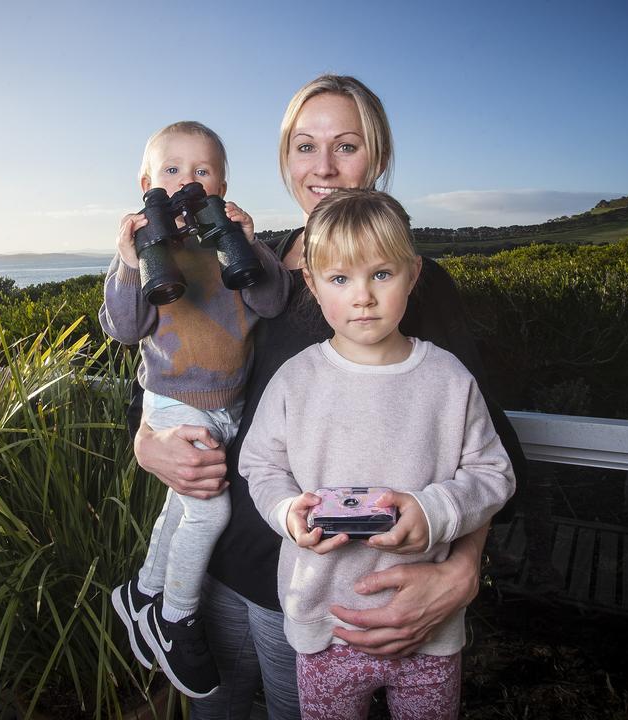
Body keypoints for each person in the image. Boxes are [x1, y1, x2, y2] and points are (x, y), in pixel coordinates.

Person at [130, 75, 529, 718]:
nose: (324, 168)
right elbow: (172, 364)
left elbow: (487, 453)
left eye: (346, 146)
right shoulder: (245, 261)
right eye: (305, 147)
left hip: (319, 583)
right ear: (285, 157)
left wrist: (461, 572)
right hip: (212, 556)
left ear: (378, 156)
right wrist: (147, 443)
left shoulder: (411, 286)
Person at [239, 189, 514, 718]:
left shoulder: (448, 378)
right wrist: (284, 511)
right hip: (324, 627)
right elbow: (261, 466)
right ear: (313, 286)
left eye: (381, 275)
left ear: (412, 275)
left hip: (427, 633)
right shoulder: (295, 380)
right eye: (340, 279)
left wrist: (434, 512)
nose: (362, 296)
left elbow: (493, 473)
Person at [100, 120, 291, 698]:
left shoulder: (227, 246)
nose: (187, 182)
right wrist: (131, 261)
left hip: (227, 406)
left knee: (184, 508)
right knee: (208, 511)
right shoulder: (151, 255)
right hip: (172, 401)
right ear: (146, 184)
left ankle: (142, 593)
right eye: (172, 171)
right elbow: (125, 329)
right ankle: (175, 619)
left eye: (202, 172)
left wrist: (249, 243)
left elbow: (274, 301)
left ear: (223, 183)